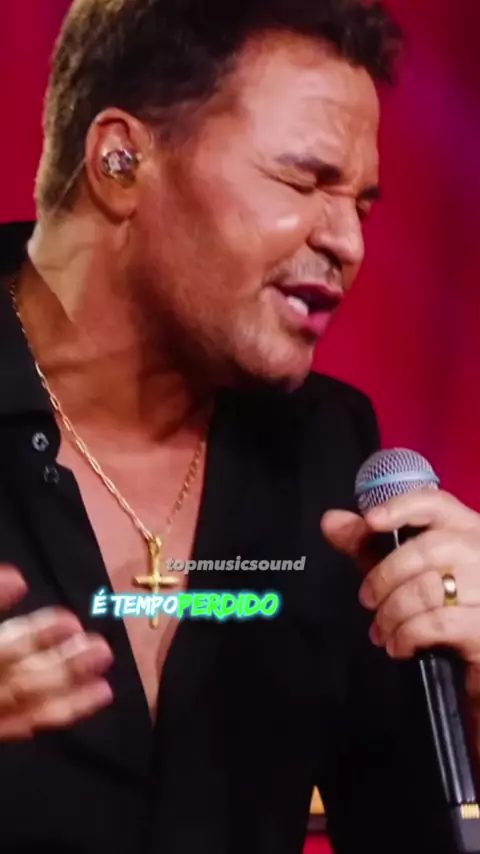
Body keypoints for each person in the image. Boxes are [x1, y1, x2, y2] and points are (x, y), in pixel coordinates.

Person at [1, 0, 480, 852]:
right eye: (304, 181)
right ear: (119, 160)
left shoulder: (331, 452)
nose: (348, 243)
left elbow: (409, 833)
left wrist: (476, 702)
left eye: (362, 206)